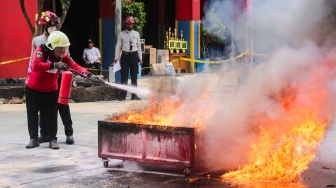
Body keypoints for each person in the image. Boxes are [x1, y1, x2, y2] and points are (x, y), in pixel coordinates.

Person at [25, 31, 100, 149]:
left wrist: (90, 75)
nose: (62, 53)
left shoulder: (63, 57)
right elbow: (36, 65)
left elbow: (76, 66)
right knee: (32, 113)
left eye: (64, 49)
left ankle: (52, 139)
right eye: (59, 50)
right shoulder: (40, 51)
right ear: (52, 47)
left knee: (52, 114)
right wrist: (54, 65)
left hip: (51, 89)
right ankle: (33, 139)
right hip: (33, 88)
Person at [27, 11, 75, 145]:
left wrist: (70, 76)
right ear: (44, 27)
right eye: (51, 27)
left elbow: (67, 58)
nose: (54, 30)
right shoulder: (37, 41)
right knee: (43, 108)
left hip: (58, 77)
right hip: (42, 79)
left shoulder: (60, 38)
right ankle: (44, 134)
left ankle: (69, 133)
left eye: (55, 27)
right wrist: (29, 78)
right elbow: (33, 62)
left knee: (63, 105)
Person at [114, 16, 143, 101]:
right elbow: (118, 47)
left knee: (134, 76)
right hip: (125, 56)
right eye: (128, 24)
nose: (129, 25)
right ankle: (123, 95)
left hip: (134, 56)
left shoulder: (136, 34)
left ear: (133, 24)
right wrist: (116, 58)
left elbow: (139, 47)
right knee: (124, 76)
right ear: (126, 24)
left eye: (131, 24)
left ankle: (134, 95)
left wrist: (140, 57)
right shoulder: (121, 34)